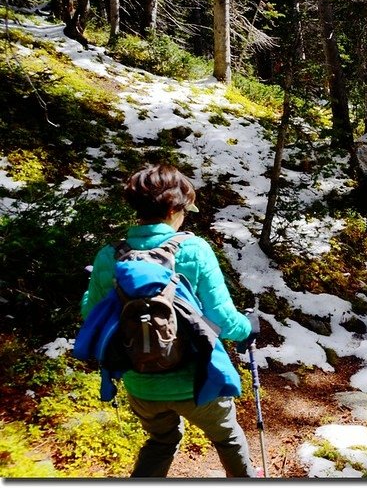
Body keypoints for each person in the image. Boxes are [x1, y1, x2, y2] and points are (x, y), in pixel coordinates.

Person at [80, 164, 259, 477]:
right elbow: (222, 318)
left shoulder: (110, 256)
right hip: (198, 381)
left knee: (162, 439)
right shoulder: (194, 249)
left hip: (140, 381)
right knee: (227, 437)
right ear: (176, 208)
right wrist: (248, 328)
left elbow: (90, 314)